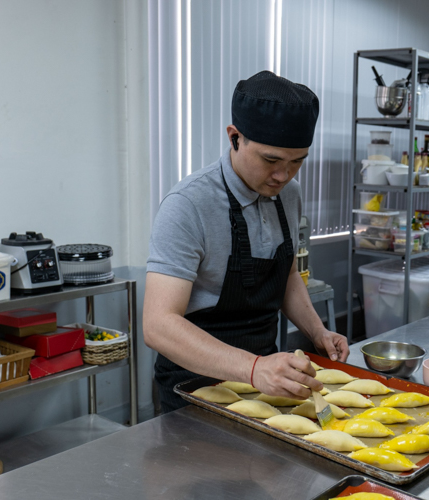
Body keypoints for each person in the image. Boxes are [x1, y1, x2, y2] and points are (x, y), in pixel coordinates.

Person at [144, 71, 349, 413]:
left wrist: (318, 332)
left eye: (297, 162)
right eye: (270, 160)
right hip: (195, 387)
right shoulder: (188, 205)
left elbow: (284, 275)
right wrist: (253, 368)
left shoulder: (288, 194)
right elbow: (158, 324)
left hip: (267, 385)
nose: (283, 176)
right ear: (235, 137)